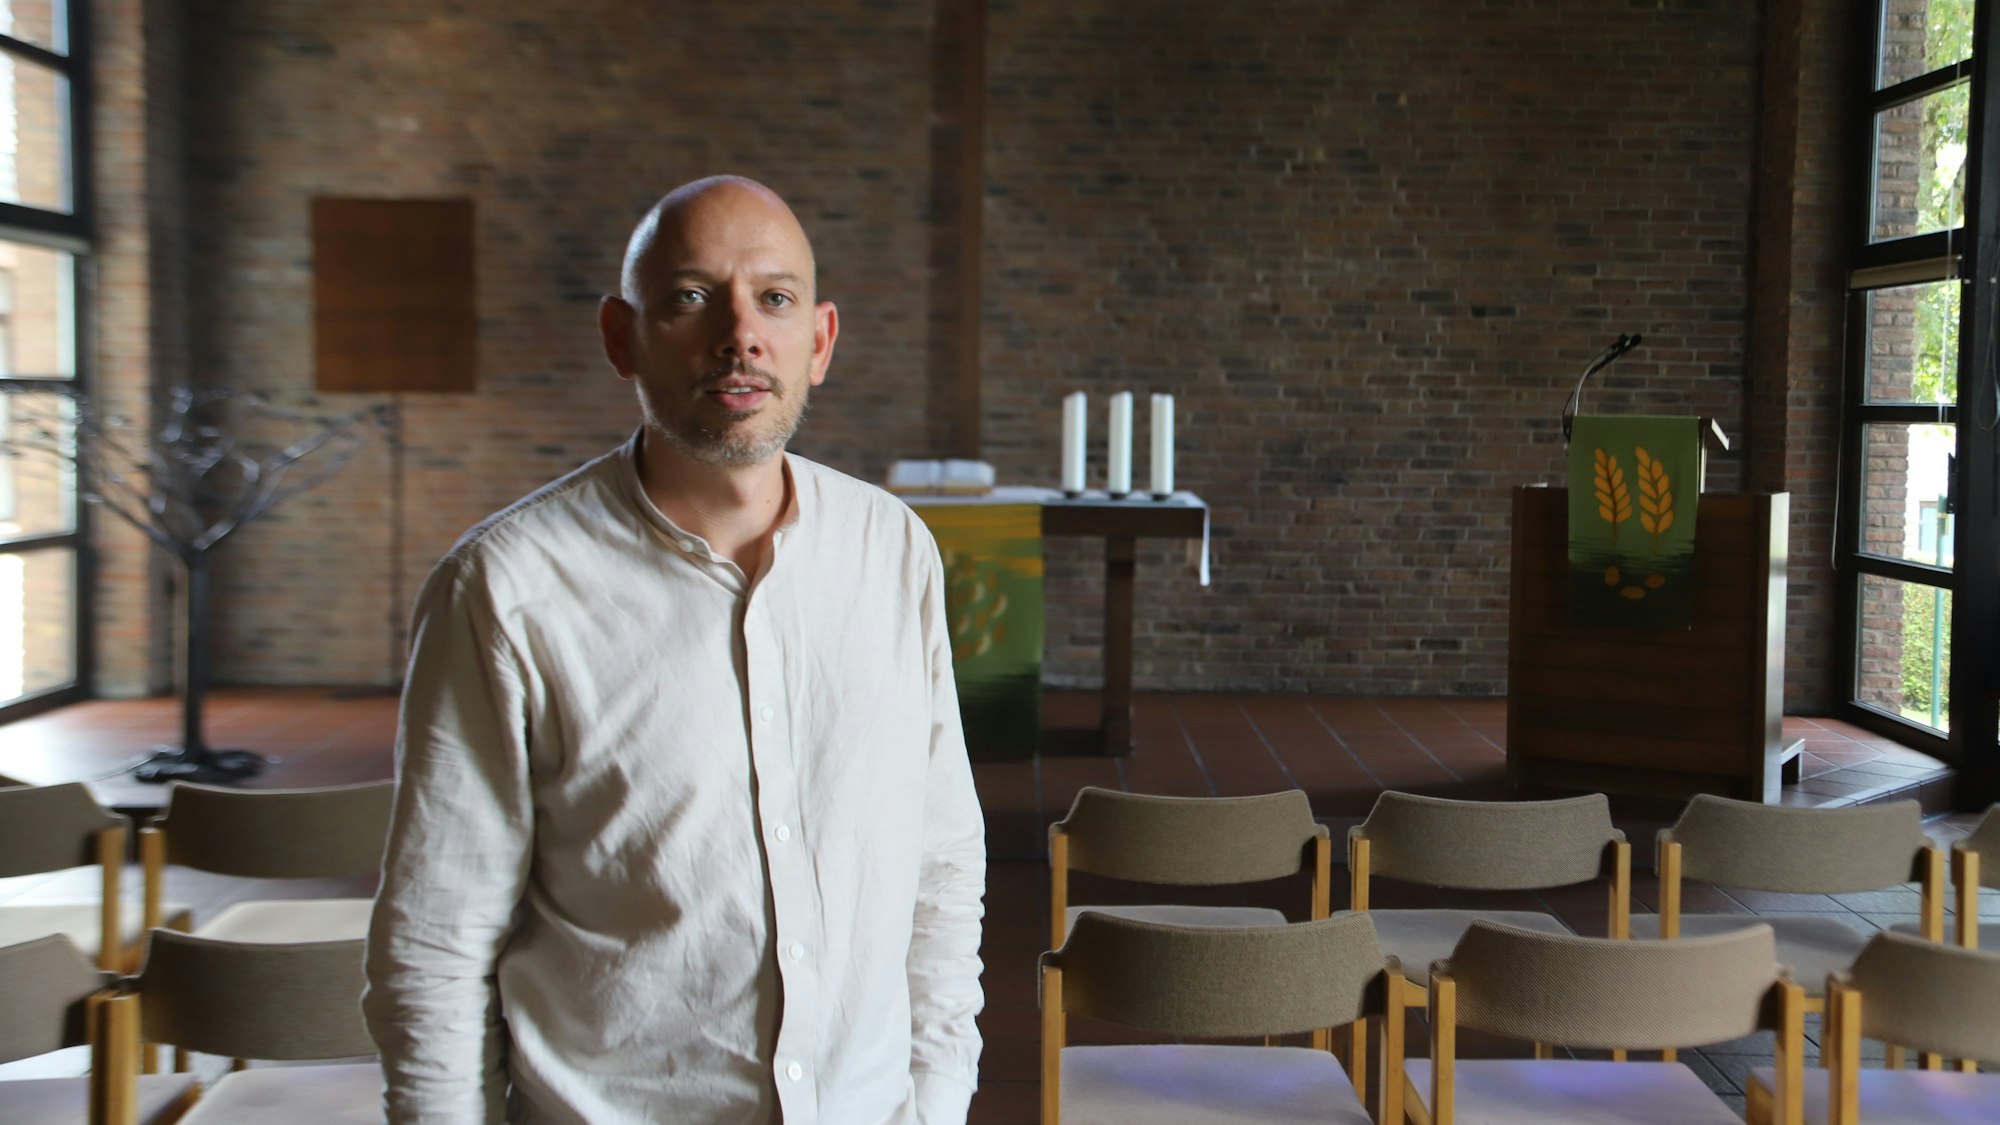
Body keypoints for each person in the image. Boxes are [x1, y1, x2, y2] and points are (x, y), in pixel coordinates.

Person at [364, 175, 986, 1124]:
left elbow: (940, 863)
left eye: (773, 299)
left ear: (818, 342)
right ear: (622, 336)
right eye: (692, 298)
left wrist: (937, 1100)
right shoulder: (505, 588)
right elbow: (435, 940)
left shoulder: (892, 549)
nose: (740, 334)